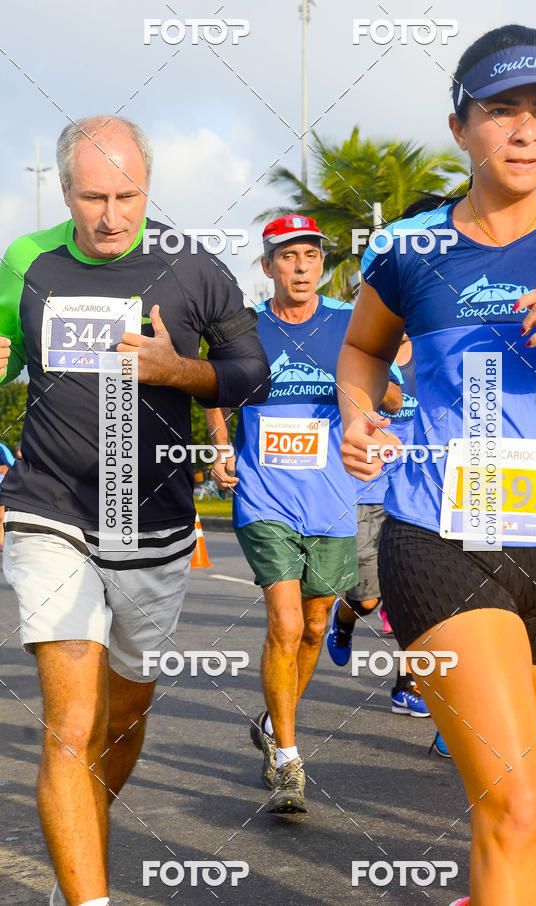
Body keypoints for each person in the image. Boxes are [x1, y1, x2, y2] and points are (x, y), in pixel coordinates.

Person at [337, 25, 536, 906]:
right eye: (502, 112)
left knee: (522, 806)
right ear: (461, 128)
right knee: (517, 805)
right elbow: (364, 349)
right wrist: (359, 413)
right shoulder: (410, 247)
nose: (526, 131)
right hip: (444, 536)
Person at [0, 115, 269, 906]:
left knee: (123, 716)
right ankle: (88, 896)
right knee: (71, 721)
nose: (111, 216)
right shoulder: (27, 261)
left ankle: (84, 833)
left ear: (149, 189)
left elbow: (248, 372)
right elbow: (10, 358)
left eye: (127, 196)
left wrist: (177, 369)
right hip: (51, 513)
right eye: (92, 198)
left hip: (150, 522)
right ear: (64, 192)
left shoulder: (192, 267)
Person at [208, 215, 359, 813]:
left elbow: (389, 389)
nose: (301, 267)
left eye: (311, 256)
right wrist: (222, 448)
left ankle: (274, 724)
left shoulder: (351, 324)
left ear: (322, 265)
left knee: (317, 625)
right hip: (264, 497)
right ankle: (289, 757)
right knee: (286, 623)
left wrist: (376, 399)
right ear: (267, 266)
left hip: (333, 498)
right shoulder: (245, 330)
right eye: (288, 257)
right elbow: (219, 391)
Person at [326, 335, 431, 718]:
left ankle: (407, 687)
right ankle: (343, 622)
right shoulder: (361, 353)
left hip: (419, 493)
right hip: (367, 491)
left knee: (414, 597)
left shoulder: (433, 350)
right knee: (368, 600)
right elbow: (392, 401)